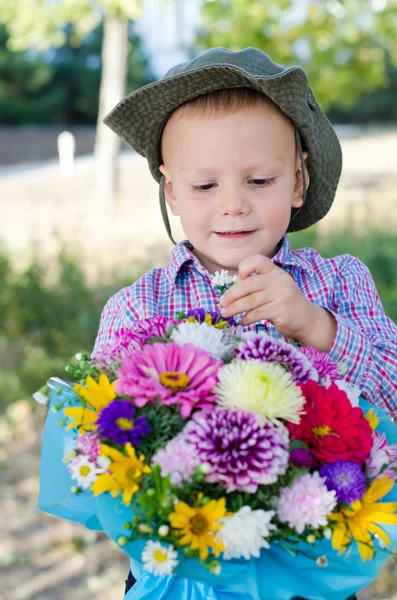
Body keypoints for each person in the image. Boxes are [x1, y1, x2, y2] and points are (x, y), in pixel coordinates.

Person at [92, 47, 397, 599]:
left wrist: (313, 324)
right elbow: (101, 442)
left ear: (299, 182)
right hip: (182, 565)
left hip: (312, 562)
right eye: (206, 186)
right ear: (172, 193)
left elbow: (392, 396)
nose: (233, 205)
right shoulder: (139, 309)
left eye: (259, 180)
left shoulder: (339, 284)